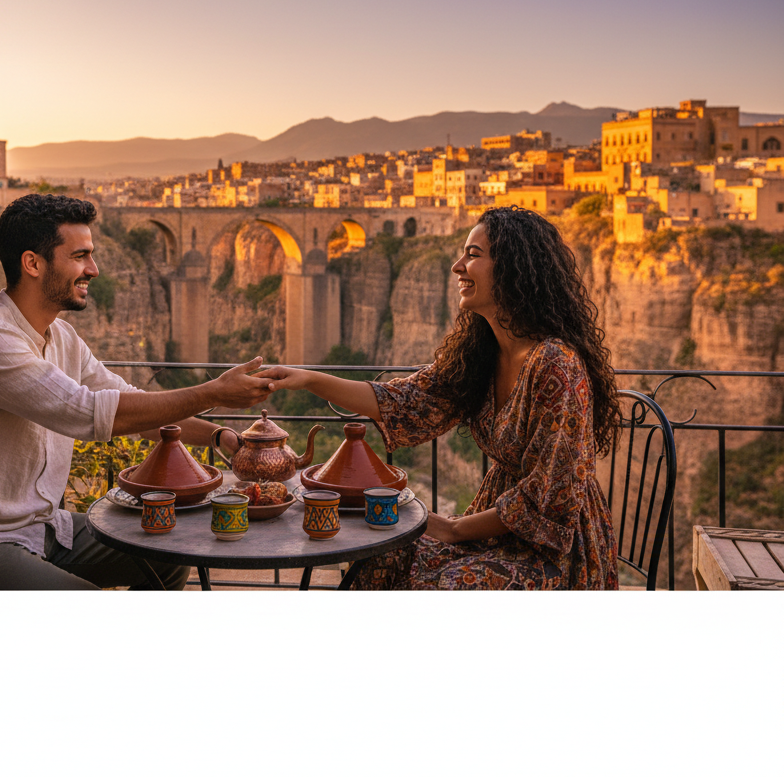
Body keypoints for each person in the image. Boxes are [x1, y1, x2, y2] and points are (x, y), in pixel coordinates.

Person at [0, 194, 270, 591]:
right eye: (80, 256)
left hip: (40, 530)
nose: (93, 269)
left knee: (167, 554)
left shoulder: (62, 337)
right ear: (33, 264)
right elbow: (87, 413)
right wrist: (213, 392)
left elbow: (132, 404)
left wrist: (217, 436)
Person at [260, 206, 621, 590]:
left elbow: (552, 496)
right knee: (381, 557)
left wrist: (453, 528)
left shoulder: (556, 365)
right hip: (493, 529)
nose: (457, 265)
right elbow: (404, 401)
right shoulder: (483, 353)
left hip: (553, 551)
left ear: (515, 268)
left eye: (474, 254)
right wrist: (306, 379)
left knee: (439, 586)